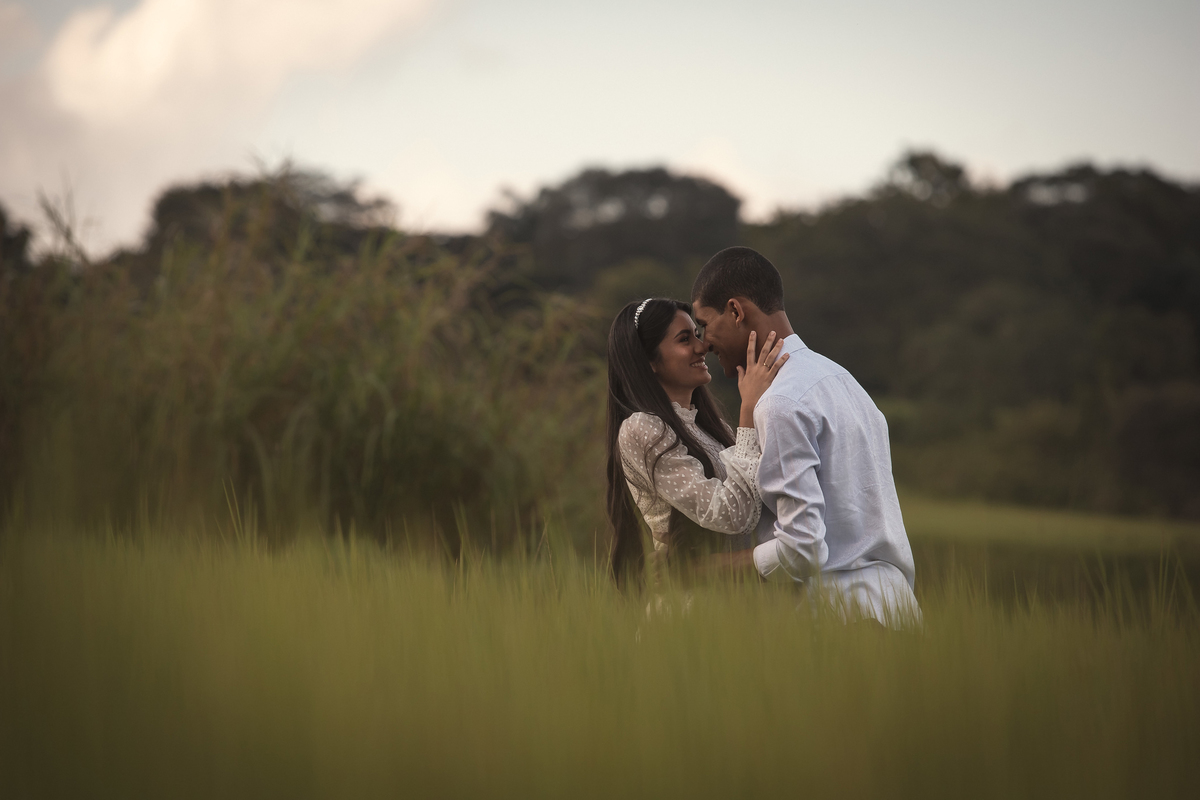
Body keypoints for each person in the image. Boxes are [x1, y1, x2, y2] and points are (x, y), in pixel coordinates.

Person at [691, 247, 921, 627]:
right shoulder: (845, 383)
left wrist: (703, 570)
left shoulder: (780, 402)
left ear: (735, 310)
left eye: (704, 325)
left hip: (840, 621)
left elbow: (803, 550)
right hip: (899, 612)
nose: (704, 344)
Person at [605, 297, 788, 586]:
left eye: (698, 335)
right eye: (684, 339)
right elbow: (731, 514)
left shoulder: (713, 430)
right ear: (649, 361)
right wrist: (749, 408)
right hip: (691, 606)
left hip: (740, 599)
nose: (702, 347)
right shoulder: (642, 428)